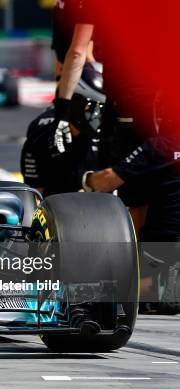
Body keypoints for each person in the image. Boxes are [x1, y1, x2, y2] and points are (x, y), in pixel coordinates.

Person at [55, 1, 180, 311]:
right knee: (159, 191)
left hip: (129, 110)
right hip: (163, 103)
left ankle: (130, 284)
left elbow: (78, 52)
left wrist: (62, 107)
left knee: (129, 196)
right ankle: (154, 282)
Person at [21, 62, 105, 196]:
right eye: (93, 109)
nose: (98, 116)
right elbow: (35, 195)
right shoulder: (42, 132)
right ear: (77, 103)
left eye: (102, 110)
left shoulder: (107, 133)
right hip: (55, 209)